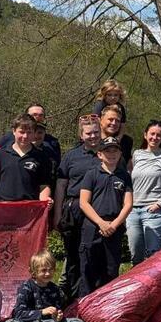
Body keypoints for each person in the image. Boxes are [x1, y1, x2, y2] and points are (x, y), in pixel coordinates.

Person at [78, 136, 134, 294]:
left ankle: (105, 311)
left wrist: (113, 225)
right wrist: (101, 223)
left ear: (120, 154)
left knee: (111, 271)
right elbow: (84, 202)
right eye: (107, 151)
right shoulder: (91, 174)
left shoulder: (124, 176)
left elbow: (128, 204)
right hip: (92, 227)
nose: (111, 154)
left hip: (113, 229)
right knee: (88, 270)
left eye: (115, 150)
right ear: (100, 154)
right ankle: (84, 309)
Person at [55, 115, 103, 299]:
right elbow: (61, 186)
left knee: (94, 255)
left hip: (98, 210)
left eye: (96, 132)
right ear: (81, 136)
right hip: (74, 210)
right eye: (89, 133)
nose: (93, 136)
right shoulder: (71, 156)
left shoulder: (108, 153)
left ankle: (94, 296)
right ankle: (75, 299)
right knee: (74, 255)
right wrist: (57, 214)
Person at [2, 250, 86, 322]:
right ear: (33, 271)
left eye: (51, 270)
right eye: (43, 270)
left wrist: (57, 316)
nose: (47, 273)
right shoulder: (26, 287)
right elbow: (19, 314)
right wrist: (41, 312)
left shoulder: (55, 289)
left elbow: (58, 310)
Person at [0, 114, 54, 202]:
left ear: (34, 133)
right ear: (14, 131)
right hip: (2, 208)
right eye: (22, 132)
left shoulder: (41, 156)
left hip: (29, 210)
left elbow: (44, 186)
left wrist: (45, 200)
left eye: (29, 132)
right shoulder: (1, 154)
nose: (25, 136)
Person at [129, 120, 161, 264]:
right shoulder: (136, 154)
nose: (154, 138)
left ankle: (154, 285)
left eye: (159, 135)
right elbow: (129, 180)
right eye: (152, 134)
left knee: (153, 256)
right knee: (135, 254)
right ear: (145, 135)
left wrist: (159, 204)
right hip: (133, 211)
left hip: (154, 212)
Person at [0, 103, 62, 168]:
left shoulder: (52, 142)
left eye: (41, 115)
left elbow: (57, 165)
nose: (37, 117)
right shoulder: (8, 138)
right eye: (34, 114)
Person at [99, 104, 134, 171]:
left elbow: (128, 167)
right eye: (110, 119)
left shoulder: (126, 141)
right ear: (101, 120)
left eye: (117, 121)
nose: (114, 123)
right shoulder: (92, 140)